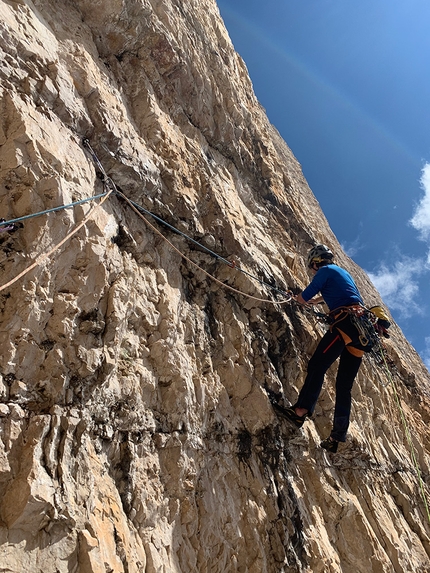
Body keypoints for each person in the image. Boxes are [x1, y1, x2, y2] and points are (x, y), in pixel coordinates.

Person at [282, 244, 371, 453]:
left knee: (317, 365)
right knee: (343, 387)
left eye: (312, 267)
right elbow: (333, 294)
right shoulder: (342, 273)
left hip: (344, 325)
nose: (313, 271)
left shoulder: (324, 271)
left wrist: (300, 299)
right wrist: (317, 301)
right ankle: (336, 437)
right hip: (360, 333)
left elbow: (304, 298)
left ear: (315, 263)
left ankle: (300, 410)